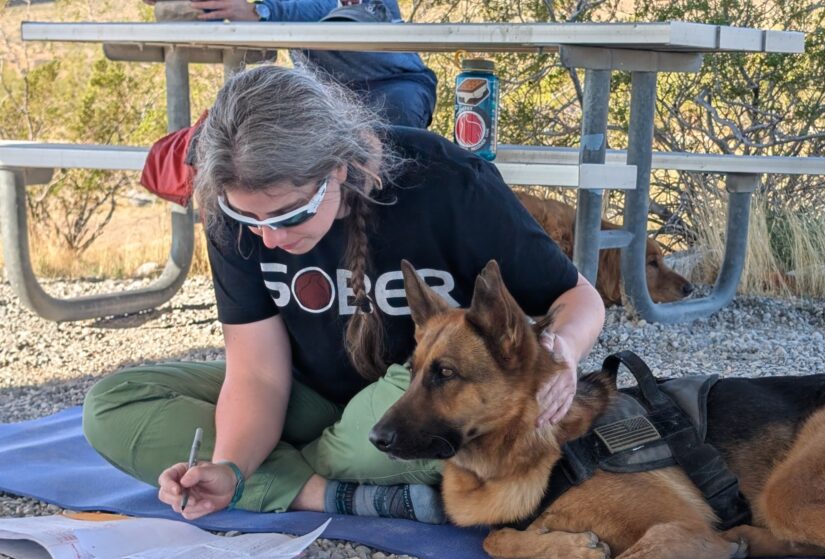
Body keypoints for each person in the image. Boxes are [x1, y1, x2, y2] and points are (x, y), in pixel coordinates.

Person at [83, 64, 605, 523]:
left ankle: (304, 472)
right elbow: (259, 374)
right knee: (110, 407)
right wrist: (231, 467)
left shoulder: (449, 182)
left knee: (370, 443)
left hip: (418, 389)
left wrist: (564, 349)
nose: (269, 237)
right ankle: (326, 494)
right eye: (249, 217)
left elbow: (577, 298)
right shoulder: (234, 216)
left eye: (289, 214)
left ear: (337, 167)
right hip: (306, 396)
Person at [148, 0, 438, 129]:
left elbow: (333, 9)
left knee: (389, 184)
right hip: (322, 96)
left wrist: (259, 11)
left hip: (394, 88)